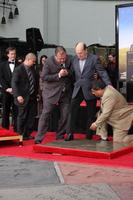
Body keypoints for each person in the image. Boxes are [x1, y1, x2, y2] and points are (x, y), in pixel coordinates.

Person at [65, 42, 111, 141]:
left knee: (91, 114)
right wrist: (66, 72)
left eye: (80, 53)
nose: (79, 55)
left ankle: (89, 135)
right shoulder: (74, 59)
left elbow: (102, 72)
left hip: (90, 90)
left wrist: (109, 85)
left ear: (86, 50)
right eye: (77, 53)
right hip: (77, 89)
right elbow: (72, 72)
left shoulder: (94, 59)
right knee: (72, 112)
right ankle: (69, 133)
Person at [34, 46, 72, 144]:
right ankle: (39, 138)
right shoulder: (48, 62)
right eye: (60, 58)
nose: (62, 60)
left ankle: (60, 135)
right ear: (55, 56)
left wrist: (67, 72)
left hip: (65, 92)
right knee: (46, 114)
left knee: (65, 114)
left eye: (64, 58)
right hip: (51, 92)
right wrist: (58, 75)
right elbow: (44, 77)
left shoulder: (69, 59)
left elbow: (73, 72)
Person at [11, 53, 39, 140]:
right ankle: (19, 135)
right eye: (33, 61)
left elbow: (35, 82)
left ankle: (27, 134)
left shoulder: (33, 70)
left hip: (32, 97)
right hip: (22, 97)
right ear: (28, 59)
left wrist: (37, 93)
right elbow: (14, 83)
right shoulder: (18, 69)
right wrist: (18, 95)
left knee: (31, 117)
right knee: (22, 116)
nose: (34, 63)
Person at [0, 47, 18, 132]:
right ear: (8, 55)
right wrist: (7, 88)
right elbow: (1, 78)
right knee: (5, 112)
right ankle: (4, 131)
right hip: (6, 91)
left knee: (16, 112)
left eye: (14, 53)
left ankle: (17, 131)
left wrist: (14, 89)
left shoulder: (19, 64)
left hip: (16, 92)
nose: (13, 55)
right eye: (11, 54)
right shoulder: (2, 65)